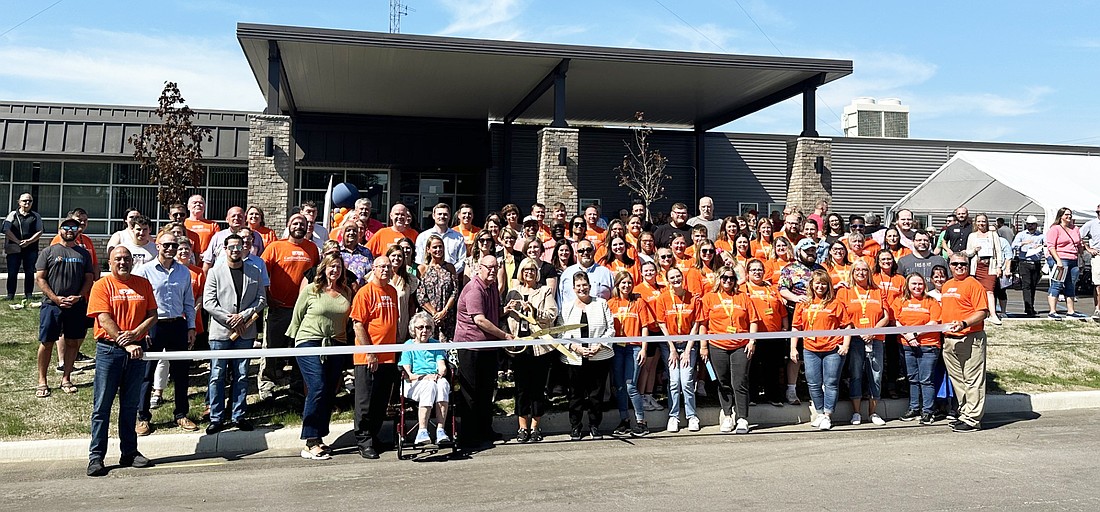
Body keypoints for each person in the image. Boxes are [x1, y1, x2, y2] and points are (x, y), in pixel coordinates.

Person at [85, 247, 158, 477]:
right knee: (102, 407)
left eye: (127, 259)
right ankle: (96, 457)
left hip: (136, 353)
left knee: (129, 406)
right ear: (110, 262)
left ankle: (129, 452)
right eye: (118, 259)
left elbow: (152, 314)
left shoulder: (142, 284)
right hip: (110, 352)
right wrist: (124, 341)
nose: (123, 262)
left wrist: (136, 333)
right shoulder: (102, 285)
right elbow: (103, 318)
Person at [131, 231, 197, 435]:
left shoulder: (184, 272)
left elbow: (188, 302)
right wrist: (142, 329)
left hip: (177, 325)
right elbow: (139, 302)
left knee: (181, 373)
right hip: (153, 326)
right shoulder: (145, 271)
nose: (170, 249)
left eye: (174, 246)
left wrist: (191, 327)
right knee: (146, 373)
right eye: (166, 245)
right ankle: (142, 417)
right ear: (157, 245)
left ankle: (181, 414)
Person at [289, 254, 353, 460]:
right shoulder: (311, 290)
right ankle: (309, 440)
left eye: (338, 267)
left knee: (328, 390)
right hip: (309, 341)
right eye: (331, 267)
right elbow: (296, 318)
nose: (335, 270)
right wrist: (292, 347)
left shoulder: (346, 292)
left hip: (336, 345)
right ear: (323, 269)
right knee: (316, 386)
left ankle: (319, 437)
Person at [203, 234, 266, 435]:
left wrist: (243, 316)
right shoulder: (215, 272)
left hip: (246, 332)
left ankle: (238, 415)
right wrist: (230, 319)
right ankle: (216, 417)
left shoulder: (254, 271)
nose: (235, 250)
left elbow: (261, 300)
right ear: (225, 249)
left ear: (245, 248)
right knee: (217, 375)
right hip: (221, 332)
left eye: (239, 246)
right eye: (231, 247)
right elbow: (209, 303)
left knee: (242, 374)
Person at [259, 213, 321, 400]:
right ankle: (266, 386)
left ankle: (296, 386)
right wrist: (268, 297)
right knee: (271, 348)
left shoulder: (312, 249)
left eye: (302, 224)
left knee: (298, 349)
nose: (299, 226)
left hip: (303, 311)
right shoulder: (275, 247)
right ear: (288, 225)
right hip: (279, 308)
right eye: (295, 223)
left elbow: (315, 277)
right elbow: (262, 274)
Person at [453, 255, 513, 449]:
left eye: (496, 267)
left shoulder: (492, 287)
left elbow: (493, 312)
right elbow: (480, 320)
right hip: (470, 347)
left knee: (487, 391)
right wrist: (504, 336)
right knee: (470, 393)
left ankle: (485, 430)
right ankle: (468, 436)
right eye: (489, 267)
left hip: (488, 347)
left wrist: (507, 309)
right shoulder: (474, 289)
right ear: (479, 268)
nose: (493, 271)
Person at [34, 217, 94, 397]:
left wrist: (79, 296)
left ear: (78, 231)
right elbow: (40, 278)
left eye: (73, 227)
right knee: (47, 342)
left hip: (76, 306)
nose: (70, 230)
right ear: (59, 229)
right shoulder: (48, 251)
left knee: (72, 342)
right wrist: (55, 298)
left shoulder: (83, 254)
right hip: (52, 305)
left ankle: (66, 378)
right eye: (66, 227)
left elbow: (89, 278)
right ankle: (42, 381)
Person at [699, 265, 761, 434]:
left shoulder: (743, 297)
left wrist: (752, 341)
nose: (728, 281)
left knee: (739, 382)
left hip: (740, 344)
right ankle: (727, 414)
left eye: (732, 278)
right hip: (717, 345)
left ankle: (742, 418)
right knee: (722, 381)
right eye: (724, 277)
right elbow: (703, 324)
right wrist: (703, 346)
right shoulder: (709, 298)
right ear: (718, 279)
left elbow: (753, 321)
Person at [503, 258, 559, 443]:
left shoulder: (544, 291)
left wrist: (533, 311)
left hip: (539, 347)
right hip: (519, 347)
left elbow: (552, 315)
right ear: (521, 271)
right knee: (521, 389)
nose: (529, 272)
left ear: (537, 272)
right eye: (526, 269)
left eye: (532, 269)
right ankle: (522, 427)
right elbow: (504, 317)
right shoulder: (513, 291)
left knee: (537, 388)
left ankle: (535, 426)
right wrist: (507, 309)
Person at [350, 256, 400, 459]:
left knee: (380, 402)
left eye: (388, 267)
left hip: (388, 357)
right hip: (368, 358)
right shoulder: (365, 292)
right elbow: (358, 324)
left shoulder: (392, 291)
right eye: (381, 267)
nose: (386, 270)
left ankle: (374, 436)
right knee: (366, 402)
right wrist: (370, 352)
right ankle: (364, 441)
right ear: (373, 269)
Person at [790, 269, 850, 431]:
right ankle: (820, 413)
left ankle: (828, 415)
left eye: (824, 283)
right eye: (817, 283)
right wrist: (793, 348)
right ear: (811, 284)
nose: (820, 286)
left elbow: (846, 326)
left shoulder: (835, 303)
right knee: (813, 383)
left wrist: (845, 345)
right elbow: (796, 327)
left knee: (830, 383)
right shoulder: (803, 303)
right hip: (810, 349)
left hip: (832, 349)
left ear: (829, 285)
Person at [559, 271, 615, 440]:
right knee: (575, 394)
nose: (582, 288)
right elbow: (561, 333)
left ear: (590, 287)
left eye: (585, 285)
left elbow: (610, 328)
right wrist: (575, 347)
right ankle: (575, 426)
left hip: (598, 356)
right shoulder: (567, 307)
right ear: (574, 288)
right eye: (578, 286)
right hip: (574, 358)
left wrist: (599, 345)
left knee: (595, 395)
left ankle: (594, 425)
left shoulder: (601, 303)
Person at [941, 253, 991, 432]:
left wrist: (964, 324)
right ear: (950, 265)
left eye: (963, 264)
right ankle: (965, 413)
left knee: (972, 380)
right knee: (958, 380)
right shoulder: (947, 285)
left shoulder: (974, 284)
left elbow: (983, 312)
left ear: (968, 265)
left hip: (970, 337)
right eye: (955, 264)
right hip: (949, 339)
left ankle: (973, 419)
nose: (959, 266)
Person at [837, 259, 890, 426]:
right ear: (852, 273)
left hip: (876, 339)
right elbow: (842, 317)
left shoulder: (878, 291)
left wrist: (872, 331)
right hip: (854, 340)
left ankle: (873, 412)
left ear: (869, 273)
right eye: (857, 270)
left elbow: (886, 317)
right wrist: (860, 332)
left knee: (876, 375)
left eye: (864, 270)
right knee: (856, 375)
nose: (861, 273)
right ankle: (856, 412)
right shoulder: (844, 292)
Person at [607, 270, 654, 436]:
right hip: (617, 347)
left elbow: (645, 326)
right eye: (623, 283)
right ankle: (624, 420)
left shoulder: (638, 302)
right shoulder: (611, 303)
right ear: (617, 285)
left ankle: (641, 421)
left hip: (633, 347)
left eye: (629, 282)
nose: (626, 286)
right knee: (619, 386)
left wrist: (644, 348)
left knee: (630, 385)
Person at [654, 267, 701, 432]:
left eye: (678, 276)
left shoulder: (693, 298)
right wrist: (672, 348)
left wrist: (688, 349)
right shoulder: (663, 299)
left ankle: (691, 416)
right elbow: (661, 324)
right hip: (670, 346)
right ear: (668, 281)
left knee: (687, 381)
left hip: (689, 344)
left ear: (683, 278)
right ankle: (673, 416)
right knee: (674, 381)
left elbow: (696, 324)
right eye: (672, 277)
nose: (675, 280)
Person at [893, 273, 942, 425]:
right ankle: (914, 408)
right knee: (912, 379)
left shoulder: (931, 301)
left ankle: (928, 411)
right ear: (907, 285)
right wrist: (908, 337)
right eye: (913, 284)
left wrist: (914, 334)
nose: (917, 287)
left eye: (920, 284)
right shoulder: (900, 301)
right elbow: (896, 321)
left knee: (926, 380)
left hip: (929, 345)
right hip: (907, 345)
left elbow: (934, 321)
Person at [400, 311, 452, 447]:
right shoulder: (408, 346)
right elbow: (409, 375)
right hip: (414, 383)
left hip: (433, 381)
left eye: (428, 327)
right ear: (413, 329)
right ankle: (422, 431)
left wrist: (441, 373)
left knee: (443, 384)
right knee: (429, 386)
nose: (424, 330)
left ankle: (440, 430)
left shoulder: (435, 344)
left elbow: (441, 366)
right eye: (420, 327)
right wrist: (426, 377)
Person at [743, 258, 788, 407]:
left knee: (773, 367)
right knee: (753, 367)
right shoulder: (743, 289)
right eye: (753, 270)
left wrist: (785, 328)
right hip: (753, 335)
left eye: (759, 269)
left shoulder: (772, 289)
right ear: (747, 273)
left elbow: (782, 311)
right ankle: (753, 396)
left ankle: (773, 396)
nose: (757, 272)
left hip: (773, 334)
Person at [961, 213, 1005, 324]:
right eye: (979, 221)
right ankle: (979, 313)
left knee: (990, 291)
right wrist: (974, 250)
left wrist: (999, 266)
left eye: (983, 221)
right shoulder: (972, 236)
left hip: (990, 266)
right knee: (977, 291)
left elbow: (998, 251)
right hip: (976, 267)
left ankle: (993, 314)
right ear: (976, 223)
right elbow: (968, 253)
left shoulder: (993, 234)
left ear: (987, 222)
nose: (981, 223)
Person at [1045, 207, 1086, 319]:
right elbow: (1051, 246)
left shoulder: (1075, 229)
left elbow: (1079, 244)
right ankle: (1052, 311)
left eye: (1070, 215)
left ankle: (1071, 311)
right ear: (1061, 216)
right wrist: (1058, 260)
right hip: (1061, 259)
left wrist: (1081, 254)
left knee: (1071, 285)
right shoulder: (1055, 229)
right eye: (1066, 214)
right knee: (1057, 284)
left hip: (1073, 259)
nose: (1069, 217)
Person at [417, 235, 459, 342]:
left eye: (440, 247)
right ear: (428, 249)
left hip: (447, 316)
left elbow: (455, 291)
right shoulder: (422, 269)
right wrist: (435, 314)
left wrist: (444, 311)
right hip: (429, 316)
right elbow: (421, 296)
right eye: (435, 247)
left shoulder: (449, 267)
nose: (438, 250)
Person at [5, 193, 43, 300]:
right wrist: (17, 241)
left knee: (30, 272)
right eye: (24, 201)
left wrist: (29, 241)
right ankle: (10, 295)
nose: (27, 203)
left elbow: (40, 231)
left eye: (30, 201)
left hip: (31, 249)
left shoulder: (36, 216)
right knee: (12, 272)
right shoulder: (12, 215)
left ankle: (29, 294)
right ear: (19, 202)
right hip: (14, 249)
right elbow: (6, 229)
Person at [415, 202, 467, 274]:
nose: (442, 216)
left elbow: (462, 260)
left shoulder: (458, 237)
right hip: (428, 277)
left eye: (445, 214)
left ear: (449, 216)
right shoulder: (423, 236)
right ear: (433, 216)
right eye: (439, 214)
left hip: (451, 276)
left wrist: (450, 272)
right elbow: (419, 260)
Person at [558, 240, 614, 305]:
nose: (585, 253)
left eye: (588, 250)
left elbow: (613, 298)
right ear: (576, 253)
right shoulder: (567, 273)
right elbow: (560, 298)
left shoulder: (606, 273)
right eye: (581, 251)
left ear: (593, 251)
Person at [1011, 216, 1045, 317]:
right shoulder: (1021, 234)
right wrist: (1023, 243)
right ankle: (1028, 308)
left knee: (1033, 286)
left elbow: (1047, 245)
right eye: (1029, 224)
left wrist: (1040, 246)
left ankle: (1031, 306)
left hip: (1036, 262)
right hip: (1024, 262)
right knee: (1026, 285)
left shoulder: (1041, 236)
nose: (1030, 226)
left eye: (1033, 224)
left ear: (1036, 225)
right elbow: (1013, 245)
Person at [1081, 205, 1100, 319]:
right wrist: (1088, 248)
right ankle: (1098, 309)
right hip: (1098, 256)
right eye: (1098, 212)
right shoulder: (1091, 224)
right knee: (1098, 284)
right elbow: (1078, 237)